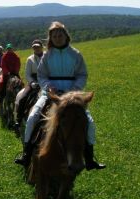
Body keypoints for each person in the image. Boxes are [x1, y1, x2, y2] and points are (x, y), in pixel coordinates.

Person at [16, 21, 105, 170]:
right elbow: (42, 75)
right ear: (51, 38)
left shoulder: (75, 54)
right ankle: (26, 154)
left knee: (89, 123)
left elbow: (82, 74)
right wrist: (50, 87)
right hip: (51, 94)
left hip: (72, 96)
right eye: (54, 35)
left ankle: (89, 158)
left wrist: (75, 89)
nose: (57, 37)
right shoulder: (47, 56)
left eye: (60, 34)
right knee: (32, 118)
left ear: (66, 35)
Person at [13, 39, 44, 135]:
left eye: (38, 47)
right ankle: (18, 119)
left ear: (41, 47)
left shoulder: (48, 57)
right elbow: (27, 74)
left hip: (46, 81)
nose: (36, 48)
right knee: (23, 97)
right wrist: (32, 83)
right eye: (34, 47)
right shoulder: (30, 59)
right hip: (34, 82)